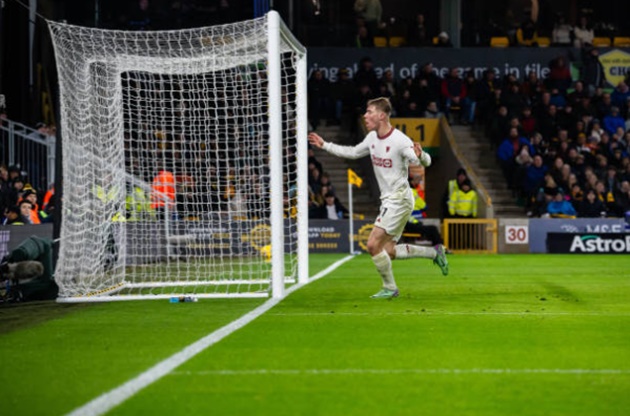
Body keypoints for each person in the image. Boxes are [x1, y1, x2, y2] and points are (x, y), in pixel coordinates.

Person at [308, 97, 448, 299]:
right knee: (388, 250)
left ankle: (390, 288)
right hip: (391, 199)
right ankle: (436, 253)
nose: (365, 115)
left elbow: (424, 160)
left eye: (370, 111)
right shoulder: (372, 138)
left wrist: (422, 154)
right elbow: (354, 152)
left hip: (399, 199)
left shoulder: (400, 141)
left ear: (382, 115)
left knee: (373, 245)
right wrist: (325, 145)